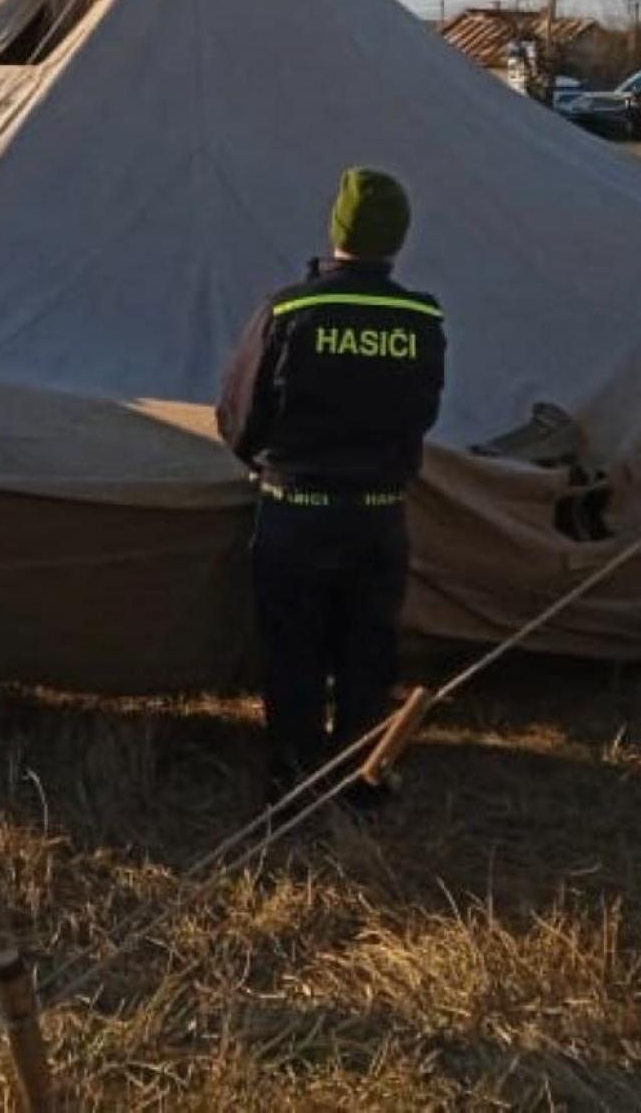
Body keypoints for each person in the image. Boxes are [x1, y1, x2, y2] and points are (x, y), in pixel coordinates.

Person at [215, 168, 447, 805]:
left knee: (294, 652)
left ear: (336, 231)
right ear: (397, 238)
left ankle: (293, 780)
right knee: (367, 654)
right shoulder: (420, 319)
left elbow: (239, 416)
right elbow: (423, 413)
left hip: (296, 512)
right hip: (378, 517)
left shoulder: (289, 311)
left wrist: (262, 455)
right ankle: (361, 781)